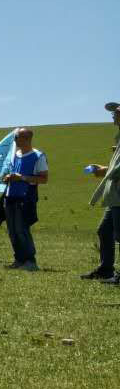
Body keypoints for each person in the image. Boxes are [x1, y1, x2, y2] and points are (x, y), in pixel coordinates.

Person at [1, 127, 48, 271]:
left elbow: (44, 179)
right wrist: (7, 178)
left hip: (26, 197)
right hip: (10, 196)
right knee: (12, 230)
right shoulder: (14, 155)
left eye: (17, 137)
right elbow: (8, 173)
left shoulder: (38, 156)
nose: (15, 140)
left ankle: (30, 261)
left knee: (22, 229)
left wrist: (22, 178)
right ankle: (19, 259)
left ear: (27, 138)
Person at [83, 101, 120, 284]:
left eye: (117, 112)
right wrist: (103, 169)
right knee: (105, 230)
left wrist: (105, 172)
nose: (114, 115)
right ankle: (106, 270)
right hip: (114, 196)